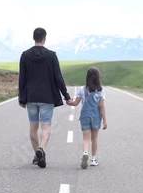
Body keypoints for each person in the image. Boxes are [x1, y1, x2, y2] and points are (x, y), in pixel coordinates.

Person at [18, 27, 71, 168]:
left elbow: (22, 79)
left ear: (33, 38)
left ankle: (37, 155)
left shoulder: (25, 55)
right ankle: (41, 149)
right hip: (47, 97)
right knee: (46, 126)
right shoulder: (51, 56)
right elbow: (58, 77)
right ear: (44, 38)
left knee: (33, 127)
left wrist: (22, 98)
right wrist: (66, 96)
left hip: (31, 96)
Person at [67, 67, 107, 169]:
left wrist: (69, 101)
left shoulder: (82, 89)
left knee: (86, 138)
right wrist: (105, 121)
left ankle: (85, 153)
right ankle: (93, 159)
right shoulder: (101, 91)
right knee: (94, 138)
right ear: (98, 78)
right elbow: (101, 106)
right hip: (96, 117)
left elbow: (75, 103)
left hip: (85, 116)